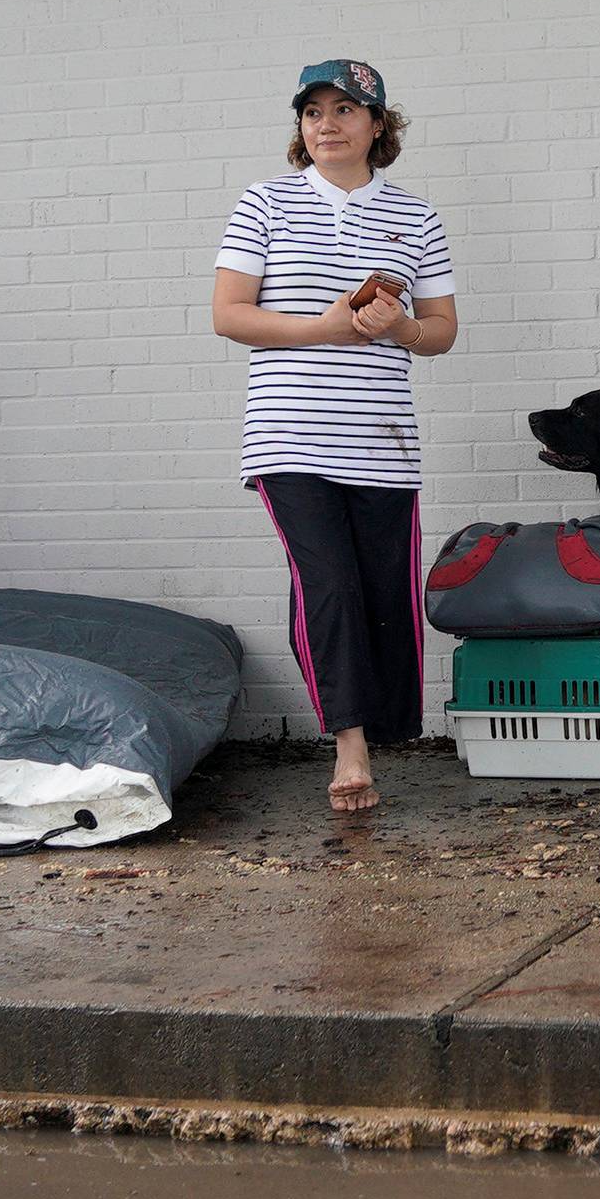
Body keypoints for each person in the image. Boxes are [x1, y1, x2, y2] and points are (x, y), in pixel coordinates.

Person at [213, 61, 458, 812]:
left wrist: (404, 327)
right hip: (288, 437)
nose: (327, 123)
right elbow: (229, 313)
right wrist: (319, 329)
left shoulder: (416, 218)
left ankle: (383, 728)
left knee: (383, 591)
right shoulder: (265, 204)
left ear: (378, 125)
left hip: (382, 441)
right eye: (313, 111)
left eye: (346, 109)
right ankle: (350, 748)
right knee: (329, 584)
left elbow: (442, 331)